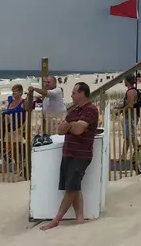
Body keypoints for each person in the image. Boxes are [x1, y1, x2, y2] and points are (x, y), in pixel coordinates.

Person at [40, 82, 100, 230]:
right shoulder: (73, 111)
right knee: (74, 186)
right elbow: (60, 130)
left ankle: (56, 219)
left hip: (81, 154)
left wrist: (70, 126)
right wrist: (71, 126)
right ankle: (80, 219)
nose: (72, 95)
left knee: (71, 188)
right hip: (68, 152)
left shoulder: (91, 110)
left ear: (82, 94)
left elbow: (79, 129)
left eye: (74, 93)